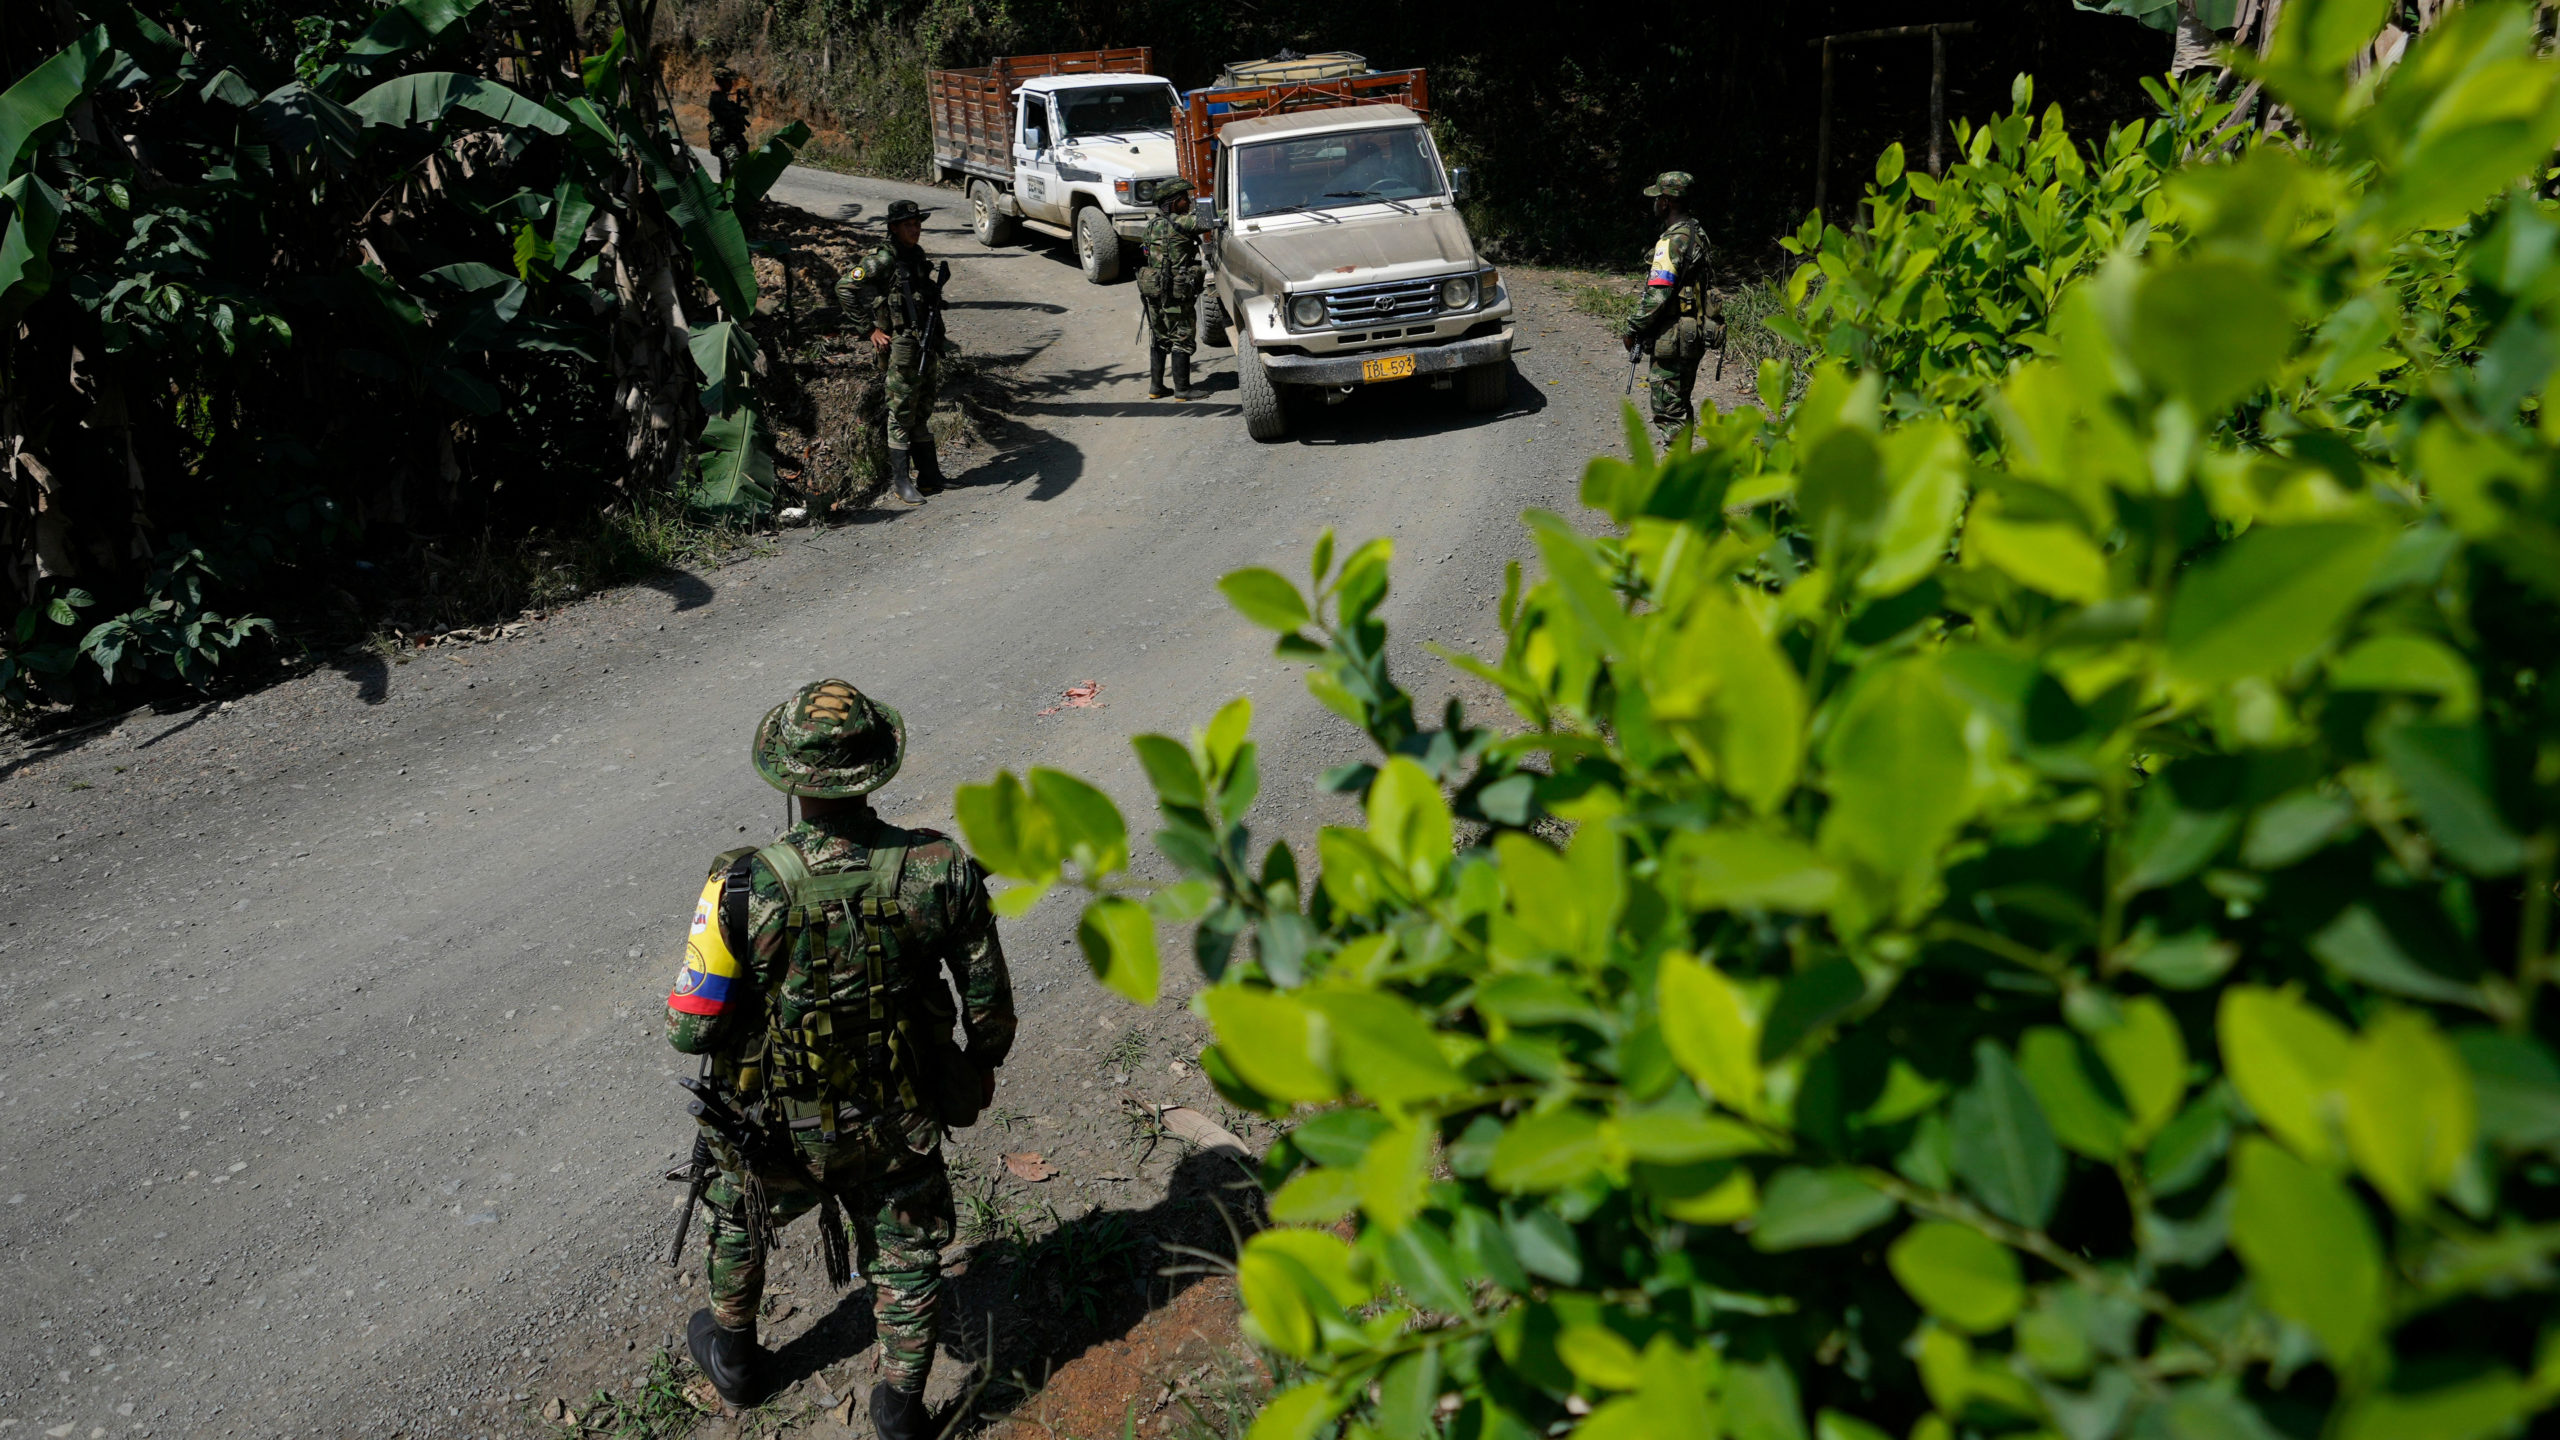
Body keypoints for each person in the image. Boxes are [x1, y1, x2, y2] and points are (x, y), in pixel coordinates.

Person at [664, 678, 1015, 1440]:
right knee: (909, 1248)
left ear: (788, 777)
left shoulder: (740, 884)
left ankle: (738, 1362)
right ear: (876, 769)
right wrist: (978, 1065)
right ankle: (898, 1411)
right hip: (900, 1116)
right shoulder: (940, 866)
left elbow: (689, 1032)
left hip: (777, 1128)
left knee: (740, 1217)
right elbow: (988, 1004)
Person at [837, 200, 951, 505]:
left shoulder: (916, 255)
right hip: (901, 343)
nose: (915, 229)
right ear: (894, 228)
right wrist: (869, 330)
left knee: (923, 405)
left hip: (924, 339)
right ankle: (902, 482)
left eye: (917, 224)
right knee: (901, 411)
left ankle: (929, 476)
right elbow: (845, 287)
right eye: (908, 225)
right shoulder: (882, 260)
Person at [1621, 171, 1723, 436]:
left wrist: (1632, 329)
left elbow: (1658, 296)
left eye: (1657, 199)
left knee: (1669, 414)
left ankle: (1675, 474)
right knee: (1681, 407)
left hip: (1673, 339)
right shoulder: (1696, 232)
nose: (1654, 204)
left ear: (1666, 202)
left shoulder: (1671, 242)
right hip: (1692, 334)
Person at [1138, 177, 1212, 400]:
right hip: (1176, 293)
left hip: (1153, 291)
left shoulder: (1150, 225)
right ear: (1172, 203)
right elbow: (1214, 220)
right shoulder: (1183, 223)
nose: (1188, 202)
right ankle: (1182, 390)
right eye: (1184, 199)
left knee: (1160, 336)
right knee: (1182, 337)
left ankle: (1156, 387)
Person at [708, 69, 751, 184]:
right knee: (735, 167)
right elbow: (728, 117)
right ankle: (733, 195)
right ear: (722, 81)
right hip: (724, 140)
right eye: (729, 81)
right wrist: (739, 112)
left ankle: (728, 194)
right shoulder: (717, 98)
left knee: (727, 169)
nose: (732, 84)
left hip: (728, 138)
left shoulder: (721, 97)